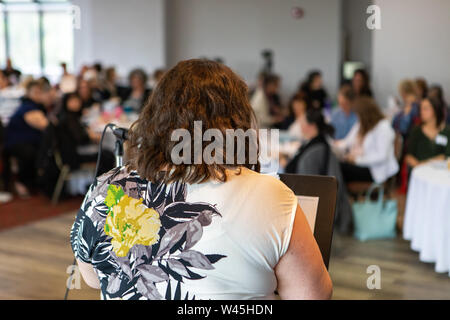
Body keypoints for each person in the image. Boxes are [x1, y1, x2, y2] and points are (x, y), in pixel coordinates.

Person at [70, 59, 332, 300]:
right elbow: (313, 295)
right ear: (236, 122)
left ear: (155, 117)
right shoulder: (270, 195)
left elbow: (92, 278)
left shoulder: (105, 187)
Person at [285, 108, 353, 234]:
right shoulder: (316, 143)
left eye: (302, 122)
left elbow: (305, 181)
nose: (300, 125)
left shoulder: (315, 151)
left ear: (311, 126)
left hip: (306, 203)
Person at [335, 97, 399, 184]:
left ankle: (338, 196)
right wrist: (333, 145)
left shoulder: (383, 127)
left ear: (366, 114)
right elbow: (347, 142)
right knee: (335, 165)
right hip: (360, 164)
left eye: (358, 115)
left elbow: (382, 156)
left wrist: (357, 160)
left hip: (374, 170)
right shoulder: (361, 124)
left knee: (338, 169)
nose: (357, 117)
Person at [4, 80, 48, 197]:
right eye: (35, 92)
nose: (38, 95)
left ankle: (36, 183)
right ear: (28, 93)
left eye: (40, 92)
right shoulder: (27, 107)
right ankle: (22, 182)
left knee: (42, 150)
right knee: (31, 153)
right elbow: (44, 125)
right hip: (17, 142)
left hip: (30, 142)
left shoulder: (37, 106)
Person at [405, 97, 450, 169]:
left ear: (435, 110)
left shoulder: (446, 131)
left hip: (441, 173)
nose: (421, 112)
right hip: (420, 173)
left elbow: (447, 156)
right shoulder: (416, 131)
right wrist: (423, 165)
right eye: (421, 109)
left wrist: (425, 163)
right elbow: (409, 156)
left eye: (425, 109)